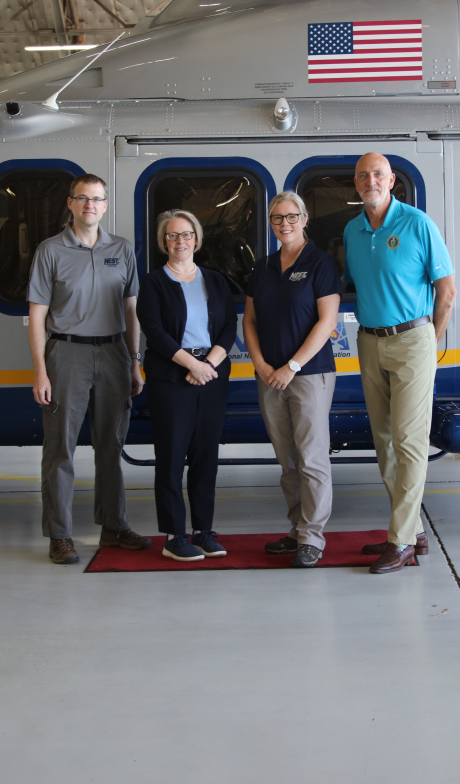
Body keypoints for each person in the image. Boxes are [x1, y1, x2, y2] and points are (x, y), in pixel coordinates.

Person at [29, 174, 152, 565]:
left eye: (97, 199)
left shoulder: (122, 249)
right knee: (60, 448)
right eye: (83, 199)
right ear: (70, 204)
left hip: (115, 353)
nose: (90, 206)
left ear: (104, 205)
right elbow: (36, 316)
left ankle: (114, 526)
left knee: (110, 445)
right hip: (67, 355)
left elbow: (132, 311)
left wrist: (135, 361)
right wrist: (40, 371)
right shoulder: (50, 251)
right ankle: (60, 535)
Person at [343, 153, 457, 574]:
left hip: (412, 340)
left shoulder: (418, 224)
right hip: (370, 342)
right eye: (362, 175)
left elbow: (447, 291)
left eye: (378, 174)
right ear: (355, 184)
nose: (370, 180)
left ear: (392, 180)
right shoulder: (353, 230)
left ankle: (402, 540)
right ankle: (412, 531)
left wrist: (428, 340)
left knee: (410, 442)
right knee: (385, 441)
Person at [243, 192, 343, 568]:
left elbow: (326, 322)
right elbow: (249, 321)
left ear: (304, 219)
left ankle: (312, 538)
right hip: (268, 375)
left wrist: (292, 366)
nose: (284, 223)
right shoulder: (263, 266)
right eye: (276, 218)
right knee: (287, 459)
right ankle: (297, 529)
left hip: (309, 374)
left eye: (291, 216)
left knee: (312, 457)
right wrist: (261, 364)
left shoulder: (320, 263)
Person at [137, 209, 237, 562]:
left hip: (210, 375)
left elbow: (228, 328)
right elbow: (155, 332)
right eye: (173, 235)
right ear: (164, 242)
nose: (181, 241)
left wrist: (208, 364)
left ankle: (203, 531)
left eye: (187, 234)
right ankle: (174, 535)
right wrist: (191, 364)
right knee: (171, 457)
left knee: (205, 456)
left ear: (197, 239)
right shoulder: (153, 283)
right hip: (171, 377)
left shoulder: (215, 280)